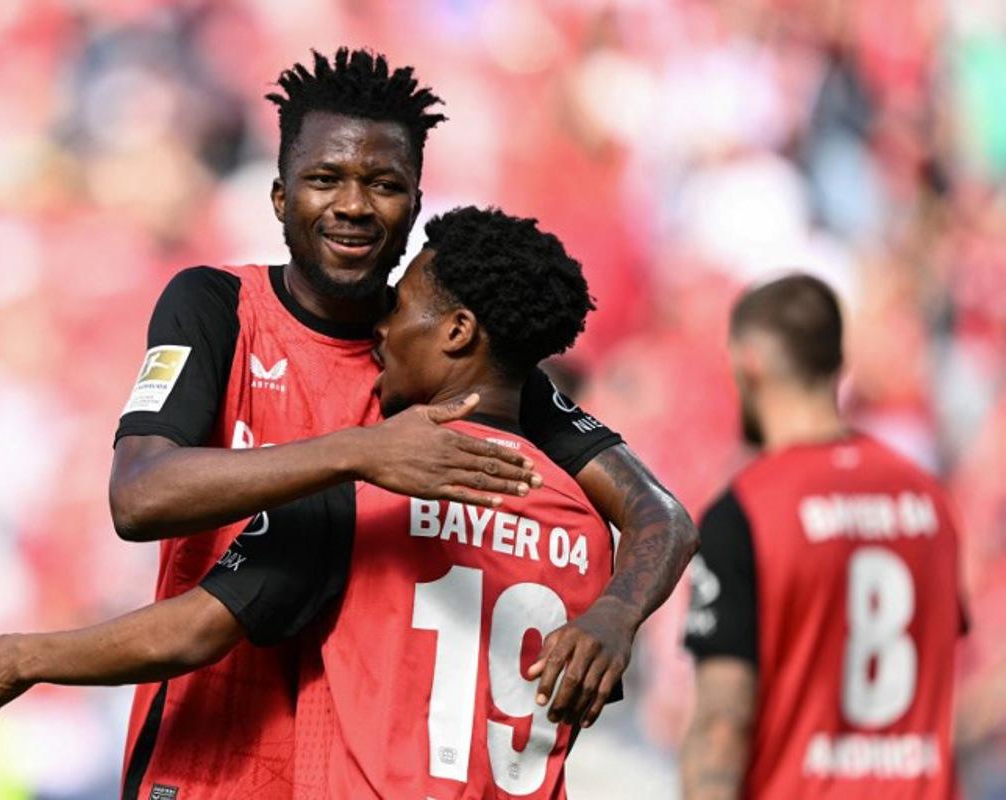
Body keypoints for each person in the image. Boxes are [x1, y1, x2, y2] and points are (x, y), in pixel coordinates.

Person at [102, 48, 696, 799]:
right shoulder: (217, 308)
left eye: (383, 184)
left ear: (415, 204)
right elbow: (139, 495)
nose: (353, 205)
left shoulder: (455, 357)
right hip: (208, 764)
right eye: (325, 179)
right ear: (281, 197)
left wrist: (617, 613)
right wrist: (359, 453)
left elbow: (660, 515)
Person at [0, 206, 624, 798]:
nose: (382, 329)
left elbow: (192, 631)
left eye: (401, 307)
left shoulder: (361, 490)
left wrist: (27, 658)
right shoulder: (587, 530)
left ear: (455, 331)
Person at [680, 274, 965, 799]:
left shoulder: (746, 511)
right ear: (838, 363)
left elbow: (723, 722)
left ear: (749, 363)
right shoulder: (928, 500)